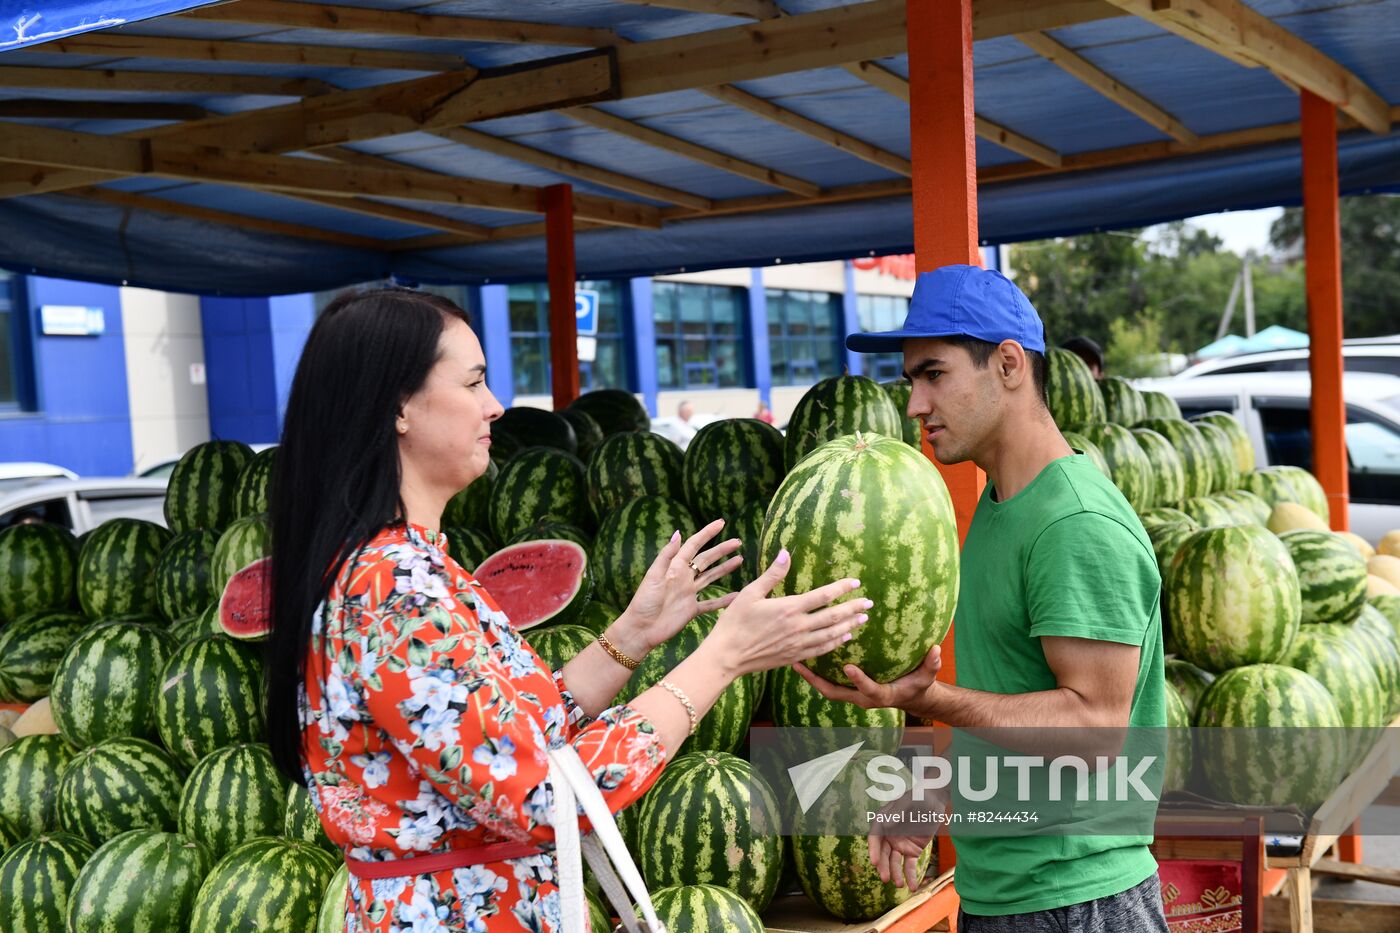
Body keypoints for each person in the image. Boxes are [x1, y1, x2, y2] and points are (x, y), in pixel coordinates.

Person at [263, 287, 870, 933]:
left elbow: (511, 736)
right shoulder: (395, 593)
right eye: (473, 382)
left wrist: (631, 636)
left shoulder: (409, 568)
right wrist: (721, 657)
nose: (495, 405)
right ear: (399, 407)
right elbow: (545, 794)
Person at [800, 266, 1167, 931]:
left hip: (1075, 902)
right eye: (910, 379)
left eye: (932, 374)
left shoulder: (1074, 524)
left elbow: (1094, 732)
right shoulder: (1002, 506)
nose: (914, 404)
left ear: (1007, 364)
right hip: (1006, 895)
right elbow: (1017, 703)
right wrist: (938, 789)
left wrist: (927, 700)